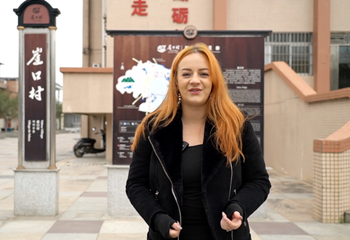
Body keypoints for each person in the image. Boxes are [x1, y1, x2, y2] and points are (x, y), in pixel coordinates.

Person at [126, 42, 271, 240]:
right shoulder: (153, 128)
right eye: (186, 74)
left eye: (204, 74)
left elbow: (258, 181)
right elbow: (136, 185)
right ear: (175, 81)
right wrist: (158, 219)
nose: (195, 80)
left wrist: (238, 208)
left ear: (214, 81)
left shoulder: (237, 125)